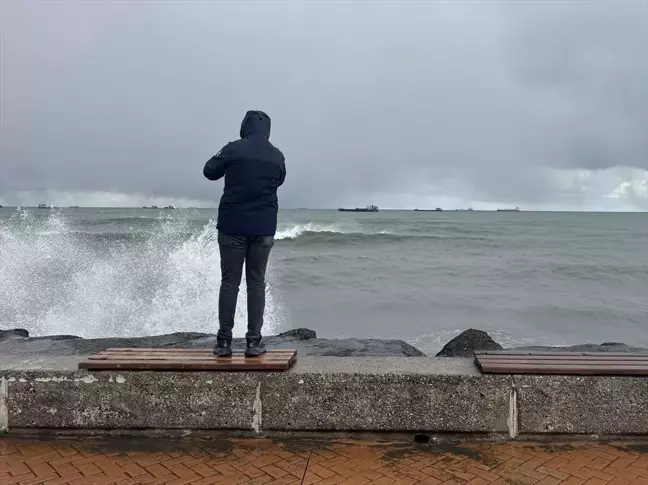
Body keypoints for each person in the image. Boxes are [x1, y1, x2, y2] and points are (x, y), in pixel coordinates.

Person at [203, 110, 286, 357]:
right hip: (263, 227)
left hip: (233, 225)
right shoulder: (277, 155)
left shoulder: (233, 149)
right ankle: (253, 343)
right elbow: (279, 181)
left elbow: (209, 171)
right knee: (256, 282)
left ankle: (224, 343)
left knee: (230, 283)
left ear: (244, 126)